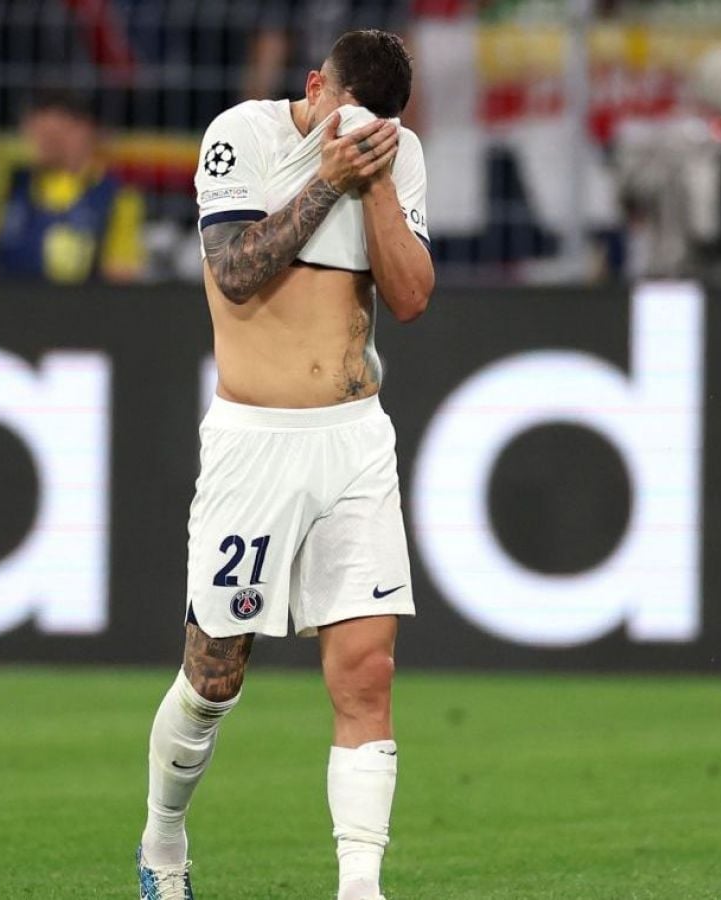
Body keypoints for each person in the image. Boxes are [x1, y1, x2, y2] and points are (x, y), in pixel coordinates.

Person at [136, 29, 432, 900]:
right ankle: (162, 844)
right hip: (255, 443)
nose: (361, 134)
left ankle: (360, 888)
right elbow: (234, 272)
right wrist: (329, 179)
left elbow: (411, 298)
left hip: (354, 438)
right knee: (212, 678)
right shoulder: (243, 135)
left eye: (379, 125)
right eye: (349, 115)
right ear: (314, 88)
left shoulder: (399, 155)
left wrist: (376, 184)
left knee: (367, 672)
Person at [0, 90, 145, 283]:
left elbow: (122, 273)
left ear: (83, 130)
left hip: (80, 300)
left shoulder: (116, 195)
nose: (37, 144)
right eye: (35, 135)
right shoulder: (12, 182)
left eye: (52, 136)